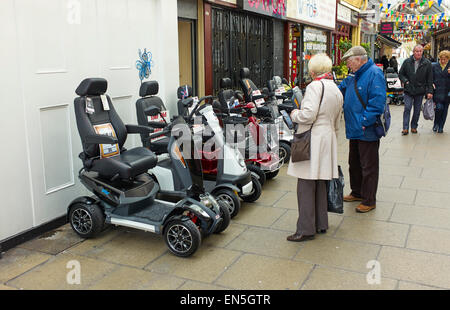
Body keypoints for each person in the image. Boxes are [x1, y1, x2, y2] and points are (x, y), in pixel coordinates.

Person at [286, 53, 343, 242]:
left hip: (312, 138)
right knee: (320, 182)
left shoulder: (314, 87)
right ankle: (320, 223)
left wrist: (294, 114)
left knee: (305, 184)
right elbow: (337, 119)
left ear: (312, 71)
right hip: (328, 137)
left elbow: (308, 115)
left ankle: (305, 228)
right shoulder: (335, 88)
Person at [337, 46, 386, 213]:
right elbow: (341, 89)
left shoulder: (374, 73)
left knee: (368, 165)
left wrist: (365, 121)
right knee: (354, 162)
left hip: (366, 128)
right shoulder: (354, 74)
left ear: (359, 59)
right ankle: (357, 192)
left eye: (349, 62)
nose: (348, 66)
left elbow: (377, 102)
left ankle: (369, 199)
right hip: (354, 128)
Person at [398, 45, 434, 135]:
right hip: (408, 89)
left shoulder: (427, 63)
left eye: (420, 51)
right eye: (417, 51)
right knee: (407, 108)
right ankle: (405, 128)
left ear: (422, 52)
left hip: (420, 90)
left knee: (417, 110)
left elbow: (430, 78)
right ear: (413, 52)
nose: (418, 53)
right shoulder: (407, 62)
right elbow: (401, 74)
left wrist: (430, 91)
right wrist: (405, 81)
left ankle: (414, 126)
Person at [432, 50, 450, 133]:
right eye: (441, 59)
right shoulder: (434, 66)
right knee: (439, 108)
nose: (442, 61)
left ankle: (441, 126)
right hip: (438, 91)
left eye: (445, 59)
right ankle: (436, 123)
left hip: (447, 92)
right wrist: (431, 84)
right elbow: (430, 78)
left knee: (445, 110)